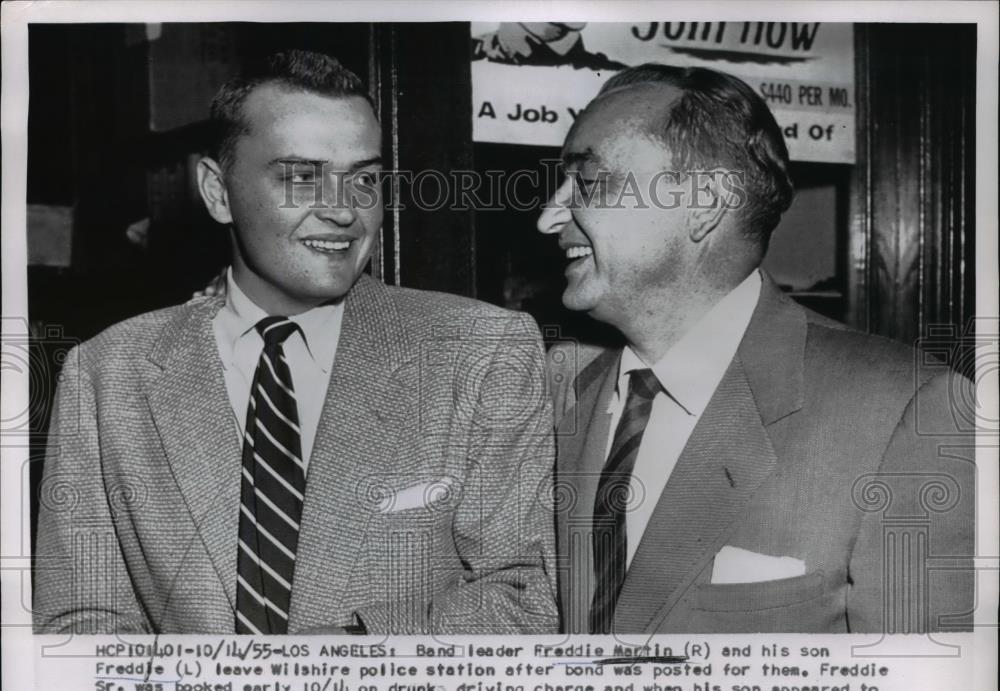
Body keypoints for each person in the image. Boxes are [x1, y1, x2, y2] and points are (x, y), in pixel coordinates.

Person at [33, 50, 558, 635]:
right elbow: (79, 625)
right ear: (216, 192)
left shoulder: (480, 351)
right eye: (301, 177)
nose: (342, 211)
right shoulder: (107, 373)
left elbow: (527, 597)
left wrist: (319, 669)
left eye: (364, 178)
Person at [539, 64, 975, 634]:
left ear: (705, 203)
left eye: (589, 182)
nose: (549, 215)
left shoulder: (907, 413)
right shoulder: (556, 390)